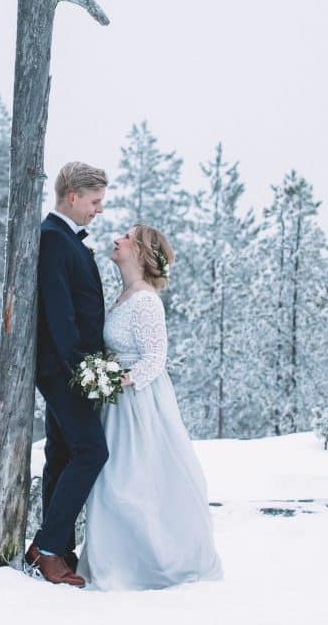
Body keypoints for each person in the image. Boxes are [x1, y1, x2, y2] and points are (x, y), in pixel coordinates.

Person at [78, 224, 224, 591]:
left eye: (127, 238)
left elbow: (155, 358)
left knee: (130, 480)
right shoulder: (125, 296)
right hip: (116, 401)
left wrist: (117, 379)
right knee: (111, 480)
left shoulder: (145, 301)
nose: (117, 240)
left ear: (141, 253)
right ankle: (114, 559)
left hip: (137, 404)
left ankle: (146, 565)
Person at [25, 160, 109, 588]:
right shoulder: (54, 239)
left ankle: (56, 548)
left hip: (69, 367)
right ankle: (47, 548)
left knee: (60, 454)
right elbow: (59, 314)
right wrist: (83, 371)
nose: (99, 209)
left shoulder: (64, 238)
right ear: (72, 197)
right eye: (95, 201)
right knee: (92, 452)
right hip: (65, 369)